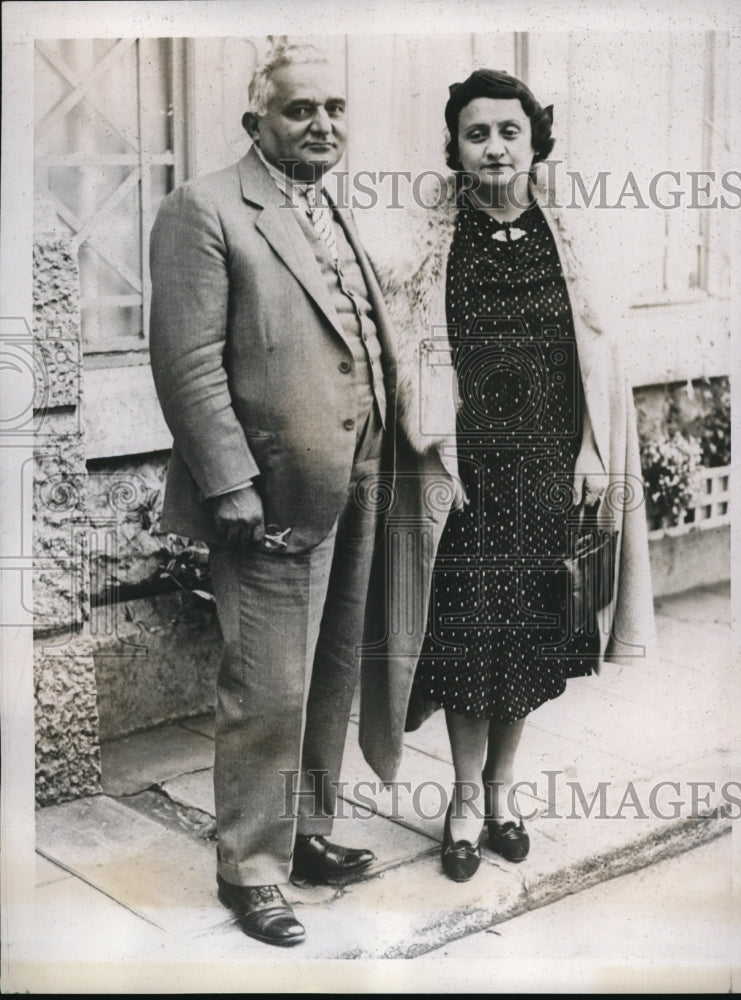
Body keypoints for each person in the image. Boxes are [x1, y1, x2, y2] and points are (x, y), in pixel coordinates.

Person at [358, 69, 655, 883]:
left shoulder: (573, 241)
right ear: (454, 147)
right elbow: (403, 361)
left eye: (508, 131)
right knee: (463, 636)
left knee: (527, 634)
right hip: (460, 474)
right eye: (476, 132)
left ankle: (501, 794)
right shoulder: (425, 246)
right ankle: (458, 800)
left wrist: (592, 452)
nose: (494, 146)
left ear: (534, 142)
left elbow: (594, 365)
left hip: (546, 468)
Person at [149, 42, 407, 947]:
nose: (322, 124)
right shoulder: (205, 208)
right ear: (255, 121)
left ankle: (304, 834)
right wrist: (229, 482)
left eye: (334, 107)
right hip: (268, 495)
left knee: (330, 668)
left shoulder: (326, 202)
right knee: (265, 684)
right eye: (300, 110)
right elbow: (185, 366)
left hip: (359, 475)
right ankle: (248, 870)